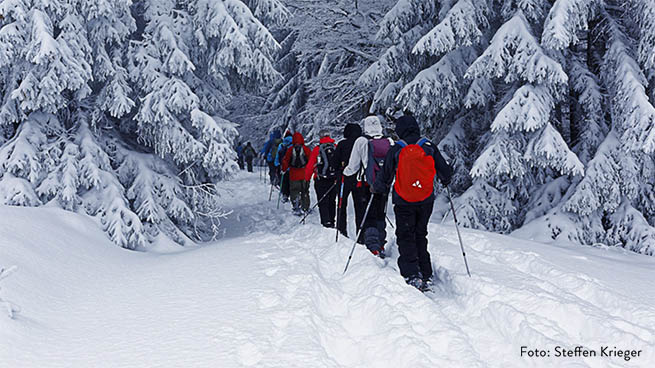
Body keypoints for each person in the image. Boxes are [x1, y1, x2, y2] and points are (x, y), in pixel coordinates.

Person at [373, 114, 453, 292]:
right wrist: (446, 179)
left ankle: (411, 274)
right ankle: (426, 272)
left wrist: (377, 188)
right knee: (420, 234)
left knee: (405, 235)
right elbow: (445, 172)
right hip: (425, 200)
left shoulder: (397, 149)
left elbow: (385, 175)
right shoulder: (429, 146)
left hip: (403, 201)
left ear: (400, 131)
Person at [343, 116, 392, 246]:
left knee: (369, 214)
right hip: (383, 185)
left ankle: (372, 245)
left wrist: (344, 173)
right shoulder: (389, 141)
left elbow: (353, 166)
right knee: (381, 213)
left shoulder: (361, 141)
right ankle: (381, 241)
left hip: (365, 185)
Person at [305, 129, 338, 228]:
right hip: (333, 179)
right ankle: (332, 221)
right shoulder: (335, 147)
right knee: (332, 201)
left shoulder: (317, 149)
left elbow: (310, 165)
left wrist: (307, 179)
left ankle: (326, 222)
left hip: (320, 179)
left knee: (322, 201)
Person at [334, 123, 362, 238]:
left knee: (341, 204)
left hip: (344, 178)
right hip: (358, 178)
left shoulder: (342, 144)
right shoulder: (362, 143)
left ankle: (341, 230)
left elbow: (334, 162)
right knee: (359, 206)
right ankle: (361, 235)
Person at [282, 132, 311, 216]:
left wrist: (283, 169)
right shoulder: (306, 149)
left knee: (294, 191)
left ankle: (296, 206)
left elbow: (285, 161)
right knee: (305, 191)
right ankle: (305, 207)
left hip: (293, 174)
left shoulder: (290, 149)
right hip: (305, 174)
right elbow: (311, 161)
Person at [275, 132, 293, 203]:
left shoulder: (282, 145)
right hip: (292, 168)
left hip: (283, 167)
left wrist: (277, 164)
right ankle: (292, 195)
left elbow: (277, 156)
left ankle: (285, 194)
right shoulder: (294, 144)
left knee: (284, 181)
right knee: (291, 182)